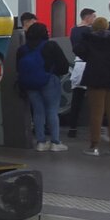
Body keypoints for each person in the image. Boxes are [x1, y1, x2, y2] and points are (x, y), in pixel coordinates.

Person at [74, 17, 110, 155]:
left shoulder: (89, 40)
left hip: (95, 79)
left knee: (96, 113)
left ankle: (94, 146)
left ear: (94, 27)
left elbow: (78, 51)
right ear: (107, 26)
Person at [17, 22, 70, 152]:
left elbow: (18, 68)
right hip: (49, 81)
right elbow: (63, 65)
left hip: (29, 83)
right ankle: (55, 142)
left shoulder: (22, 49)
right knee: (52, 110)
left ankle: (40, 142)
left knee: (37, 111)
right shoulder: (51, 45)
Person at [67, 7, 96, 137]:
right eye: (93, 17)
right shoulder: (90, 31)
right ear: (88, 17)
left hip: (78, 66)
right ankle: (94, 129)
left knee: (76, 99)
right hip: (90, 65)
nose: (94, 19)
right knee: (95, 100)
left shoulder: (73, 30)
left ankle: (72, 128)